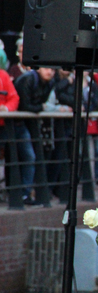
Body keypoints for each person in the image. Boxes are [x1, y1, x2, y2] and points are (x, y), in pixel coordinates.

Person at [13, 67, 56, 204]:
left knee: (30, 156)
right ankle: (23, 194)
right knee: (26, 157)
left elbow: (37, 104)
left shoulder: (48, 82)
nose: (50, 72)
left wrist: (39, 107)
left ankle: (25, 194)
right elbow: (26, 105)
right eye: (46, 68)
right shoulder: (28, 79)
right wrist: (41, 107)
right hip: (16, 123)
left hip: (25, 124)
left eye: (53, 70)